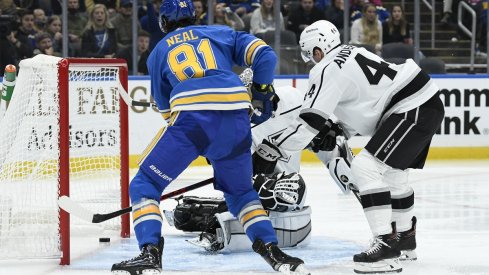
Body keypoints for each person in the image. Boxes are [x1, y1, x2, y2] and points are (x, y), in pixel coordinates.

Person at [110, 1, 309, 275]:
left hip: (193, 121)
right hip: (237, 115)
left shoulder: (157, 53)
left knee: (145, 184)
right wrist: (262, 93)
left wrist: (199, 137)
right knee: (241, 194)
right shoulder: (220, 32)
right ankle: (273, 252)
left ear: (163, 23)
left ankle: (150, 253)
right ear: (195, 17)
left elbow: (169, 115)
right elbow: (265, 55)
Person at [253, 20, 445, 274]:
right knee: (394, 175)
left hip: (410, 107)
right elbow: (368, 102)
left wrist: (271, 147)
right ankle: (405, 241)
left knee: (364, 167)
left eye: (310, 54)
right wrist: (337, 129)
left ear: (318, 50)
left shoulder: (326, 68)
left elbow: (309, 123)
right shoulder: (354, 51)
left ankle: (386, 246)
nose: (311, 59)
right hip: (425, 100)